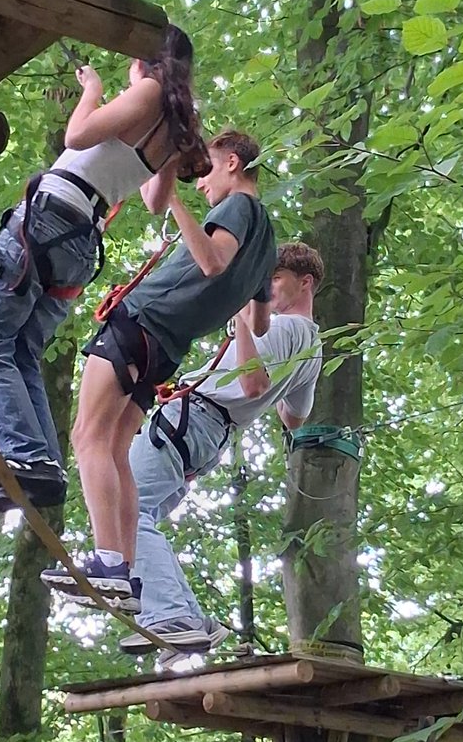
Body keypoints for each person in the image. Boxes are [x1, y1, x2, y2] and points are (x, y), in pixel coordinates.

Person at [0, 26, 207, 511]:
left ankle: (27, 456)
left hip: (50, 221)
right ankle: (41, 463)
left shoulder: (149, 91)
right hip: (78, 244)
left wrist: (92, 91)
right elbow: (156, 201)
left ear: (150, 62)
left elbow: (76, 135)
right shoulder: (174, 124)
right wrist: (171, 152)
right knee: (22, 350)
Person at [40, 129, 277, 604]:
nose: (202, 183)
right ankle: (122, 570)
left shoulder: (238, 208)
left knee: (88, 437)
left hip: (142, 322)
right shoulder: (268, 245)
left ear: (231, 162)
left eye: (206, 169)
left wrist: (176, 207)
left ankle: (108, 561)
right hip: (167, 347)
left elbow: (212, 261)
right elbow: (261, 321)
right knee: (116, 448)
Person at [113, 242, 324, 654]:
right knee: (138, 513)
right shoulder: (312, 350)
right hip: (209, 433)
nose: (267, 289)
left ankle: (171, 615)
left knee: (127, 511)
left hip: (193, 418)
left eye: (275, 279)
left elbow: (251, 384)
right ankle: (190, 620)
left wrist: (242, 319)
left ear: (306, 283)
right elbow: (293, 416)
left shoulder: (281, 329)